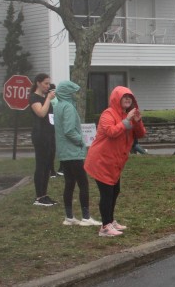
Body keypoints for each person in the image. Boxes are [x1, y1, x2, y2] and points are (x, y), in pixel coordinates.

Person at [84, 86, 146, 237]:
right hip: (101, 160)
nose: (128, 99)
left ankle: (110, 221)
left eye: (130, 97)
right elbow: (111, 132)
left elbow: (140, 134)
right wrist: (127, 120)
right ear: (116, 99)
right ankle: (105, 227)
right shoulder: (108, 114)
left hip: (114, 162)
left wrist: (137, 121)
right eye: (124, 97)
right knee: (107, 193)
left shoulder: (127, 115)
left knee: (115, 191)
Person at [53, 80, 102, 227]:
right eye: (73, 92)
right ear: (67, 93)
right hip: (73, 152)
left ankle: (69, 217)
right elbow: (69, 130)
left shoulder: (58, 106)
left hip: (64, 152)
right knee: (83, 184)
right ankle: (86, 217)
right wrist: (81, 141)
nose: (75, 95)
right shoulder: (68, 107)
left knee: (69, 183)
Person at [29, 73, 57, 206]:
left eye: (48, 83)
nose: (48, 86)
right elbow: (41, 113)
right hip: (40, 135)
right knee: (41, 165)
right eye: (45, 83)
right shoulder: (34, 97)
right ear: (38, 83)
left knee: (47, 165)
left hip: (49, 133)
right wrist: (48, 99)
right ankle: (39, 196)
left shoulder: (45, 97)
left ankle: (44, 194)